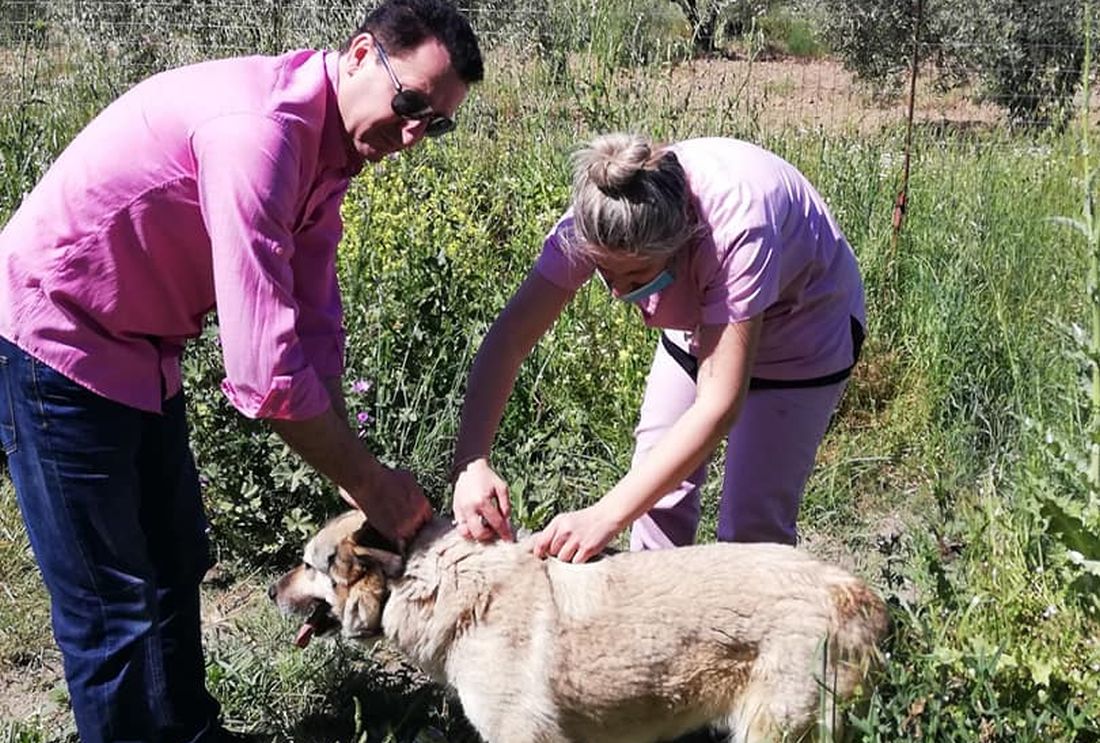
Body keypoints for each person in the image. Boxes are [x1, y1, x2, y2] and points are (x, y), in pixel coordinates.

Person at [0, 1, 482, 740]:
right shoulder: (260, 135)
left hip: (139, 347)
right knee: (111, 606)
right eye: (411, 102)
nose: (416, 131)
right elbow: (265, 373)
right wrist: (368, 483)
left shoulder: (328, 149)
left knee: (172, 564)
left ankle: (191, 731)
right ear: (360, 55)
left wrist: (361, 473)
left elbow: (313, 330)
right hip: (55, 339)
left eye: (437, 122)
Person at [451, 132, 865, 564]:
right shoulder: (603, 216)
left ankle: (767, 629)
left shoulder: (737, 230)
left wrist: (605, 516)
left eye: (635, 278)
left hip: (801, 337)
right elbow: (510, 337)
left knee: (751, 530)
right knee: (655, 504)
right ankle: (659, 626)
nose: (617, 293)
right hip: (698, 327)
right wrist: (471, 462)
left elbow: (719, 403)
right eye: (604, 273)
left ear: (682, 243)